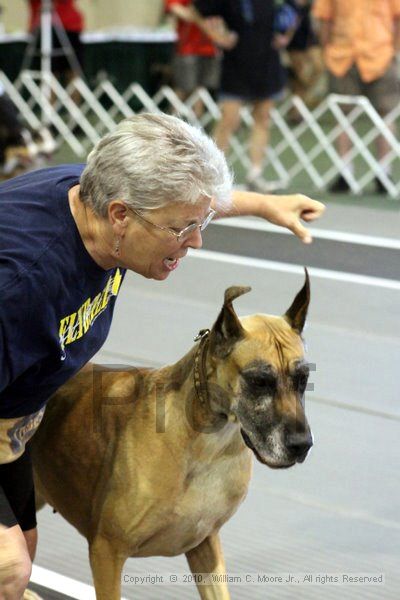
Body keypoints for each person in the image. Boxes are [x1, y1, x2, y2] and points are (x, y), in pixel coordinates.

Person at [0, 113, 325, 599]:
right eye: (181, 228)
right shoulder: (23, 286)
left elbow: (187, 199)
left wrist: (263, 205)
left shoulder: (97, 192)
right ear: (120, 216)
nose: (195, 240)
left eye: (201, 222)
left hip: (12, 415)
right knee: (8, 569)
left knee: (22, 544)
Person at [193, 0, 296, 192]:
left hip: (267, 61)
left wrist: (287, 35)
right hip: (236, 64)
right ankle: (213, 176)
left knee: (263, 118)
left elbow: (295, 9)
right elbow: (198, 8)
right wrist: (215, 35)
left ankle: (255, 174)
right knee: (229, 120)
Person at [313, 0, 400, 193]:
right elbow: (324, 18)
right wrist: (326, 51)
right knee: (343, 116)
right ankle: (345, 172)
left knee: (385, 114)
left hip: (381, 56)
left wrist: (394, 51)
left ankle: (383, 173)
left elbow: (397, 17)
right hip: (342, 56)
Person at [165, 0, 221, 115]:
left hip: (210, 48)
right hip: (187, 49)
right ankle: (173, 120)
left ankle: (198, 121)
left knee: (202, 89)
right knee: (183, 87)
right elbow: (178, 11)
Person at [26, 0, 85, 84]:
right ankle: (48, 95)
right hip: (44, 27)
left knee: (73, 71)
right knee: (49, 71)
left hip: (70, 26)